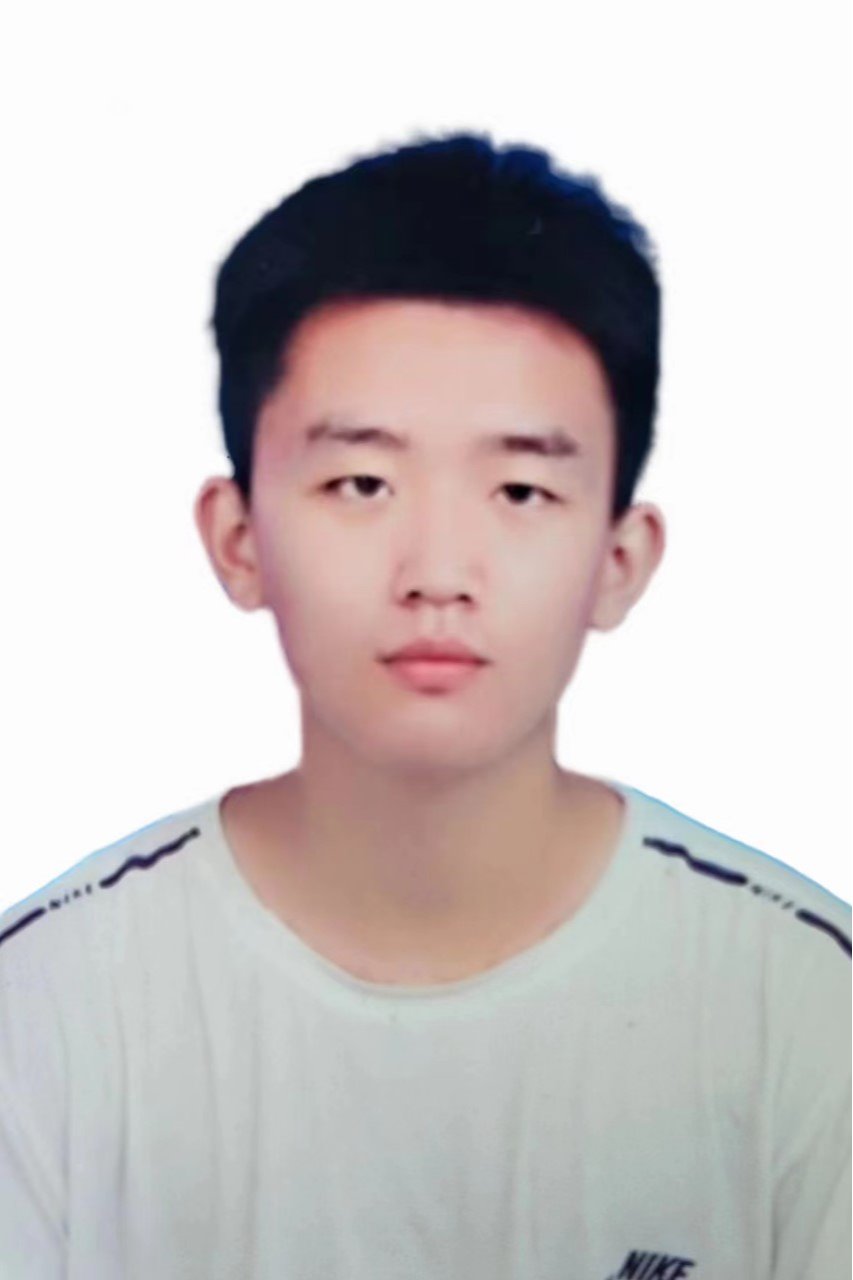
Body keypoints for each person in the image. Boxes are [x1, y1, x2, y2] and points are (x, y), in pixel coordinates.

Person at [1, 131, 849, 1280]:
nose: (438, 571)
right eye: (363, 481)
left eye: (520, 489)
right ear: (238, 538)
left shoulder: (807, 1011)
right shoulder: (47, 1007)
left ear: (619, 557)